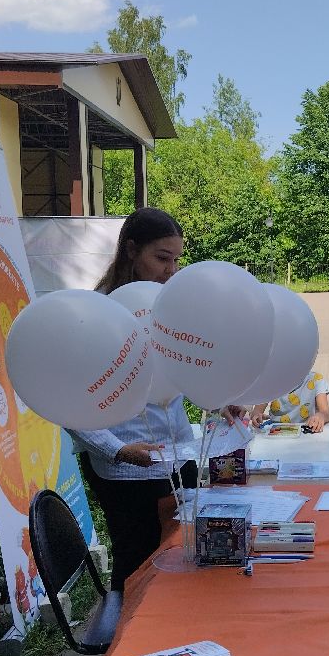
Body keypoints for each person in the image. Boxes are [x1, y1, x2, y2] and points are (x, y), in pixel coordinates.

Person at [68, 207, 197, 591]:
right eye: (161, 258)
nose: (170, 270)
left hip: (176, 457)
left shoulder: (167, 309)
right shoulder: (95, 315)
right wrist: (118, 449)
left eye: (176, 259)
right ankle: (129, 646)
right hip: (125, 471)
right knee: (138, 564)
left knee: (182, 556)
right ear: (130, 250)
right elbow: (70, 403)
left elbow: (184, 368)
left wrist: (221, 398)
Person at [250, 369, 329, 432]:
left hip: (306, 430)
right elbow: (257, 412)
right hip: (276, 432)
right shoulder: (271, 380)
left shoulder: (316, 379)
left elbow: (325, 413)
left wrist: (320, 416)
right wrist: (257, 416)